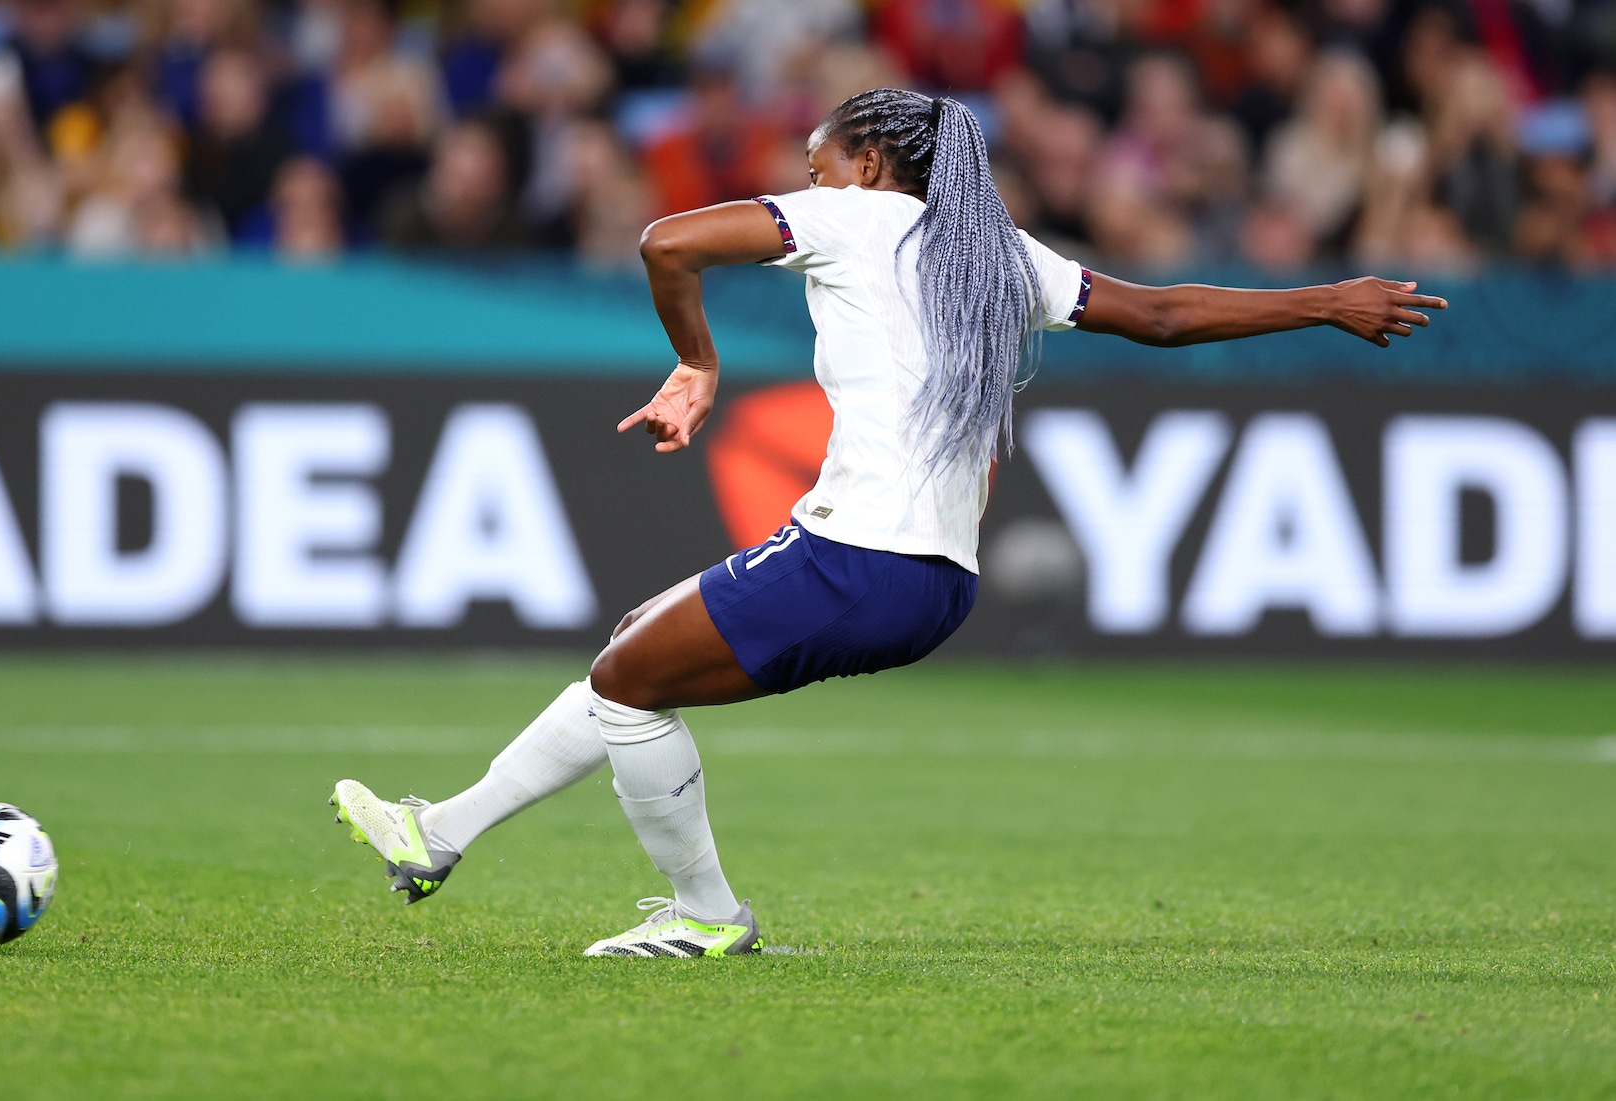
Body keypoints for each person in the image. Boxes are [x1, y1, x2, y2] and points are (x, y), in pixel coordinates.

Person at [329, 87, 1446, 958]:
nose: (802, 179)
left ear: (865, 164)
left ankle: (704, 914)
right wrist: (1323, 299)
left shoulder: (851, 217)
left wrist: (695, 358)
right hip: (929, 578)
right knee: (633, 643)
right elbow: (1154, 314)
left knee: (626, 684)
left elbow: (665, 241)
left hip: (860, 555)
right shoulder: (996, 254)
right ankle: (443, 836)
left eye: (812, 161)